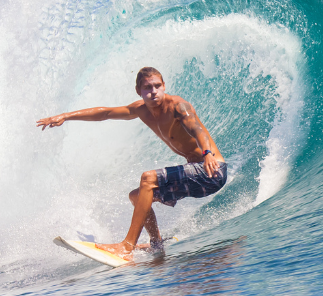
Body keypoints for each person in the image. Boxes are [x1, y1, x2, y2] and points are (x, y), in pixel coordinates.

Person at [37, 67, 227, 260]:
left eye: (157, 86)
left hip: (212, 170)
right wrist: (66, 116)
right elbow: (105, 113)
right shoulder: (141, 110)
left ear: (164, 86)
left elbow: (197, 130)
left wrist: (208, 153)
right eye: (147, 87)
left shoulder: (179, 106)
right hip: (197, 175)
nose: (153, 91)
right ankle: (156, 244)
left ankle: (126, 247)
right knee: (137, 196)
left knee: (148, 178)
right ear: (139, 91)